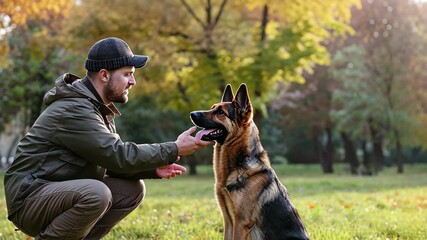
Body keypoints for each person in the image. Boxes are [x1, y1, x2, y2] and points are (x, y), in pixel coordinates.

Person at [4, 37, 212, 239]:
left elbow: (105, 160)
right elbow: (116, 154)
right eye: (127, 74)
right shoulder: (74, 108)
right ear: (104, 75)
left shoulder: (95, 107)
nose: (133, 81)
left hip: (54, 191)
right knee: (96, 193)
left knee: (131, 189)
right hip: (29, 198)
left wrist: (152, 169)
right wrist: (174, 148)